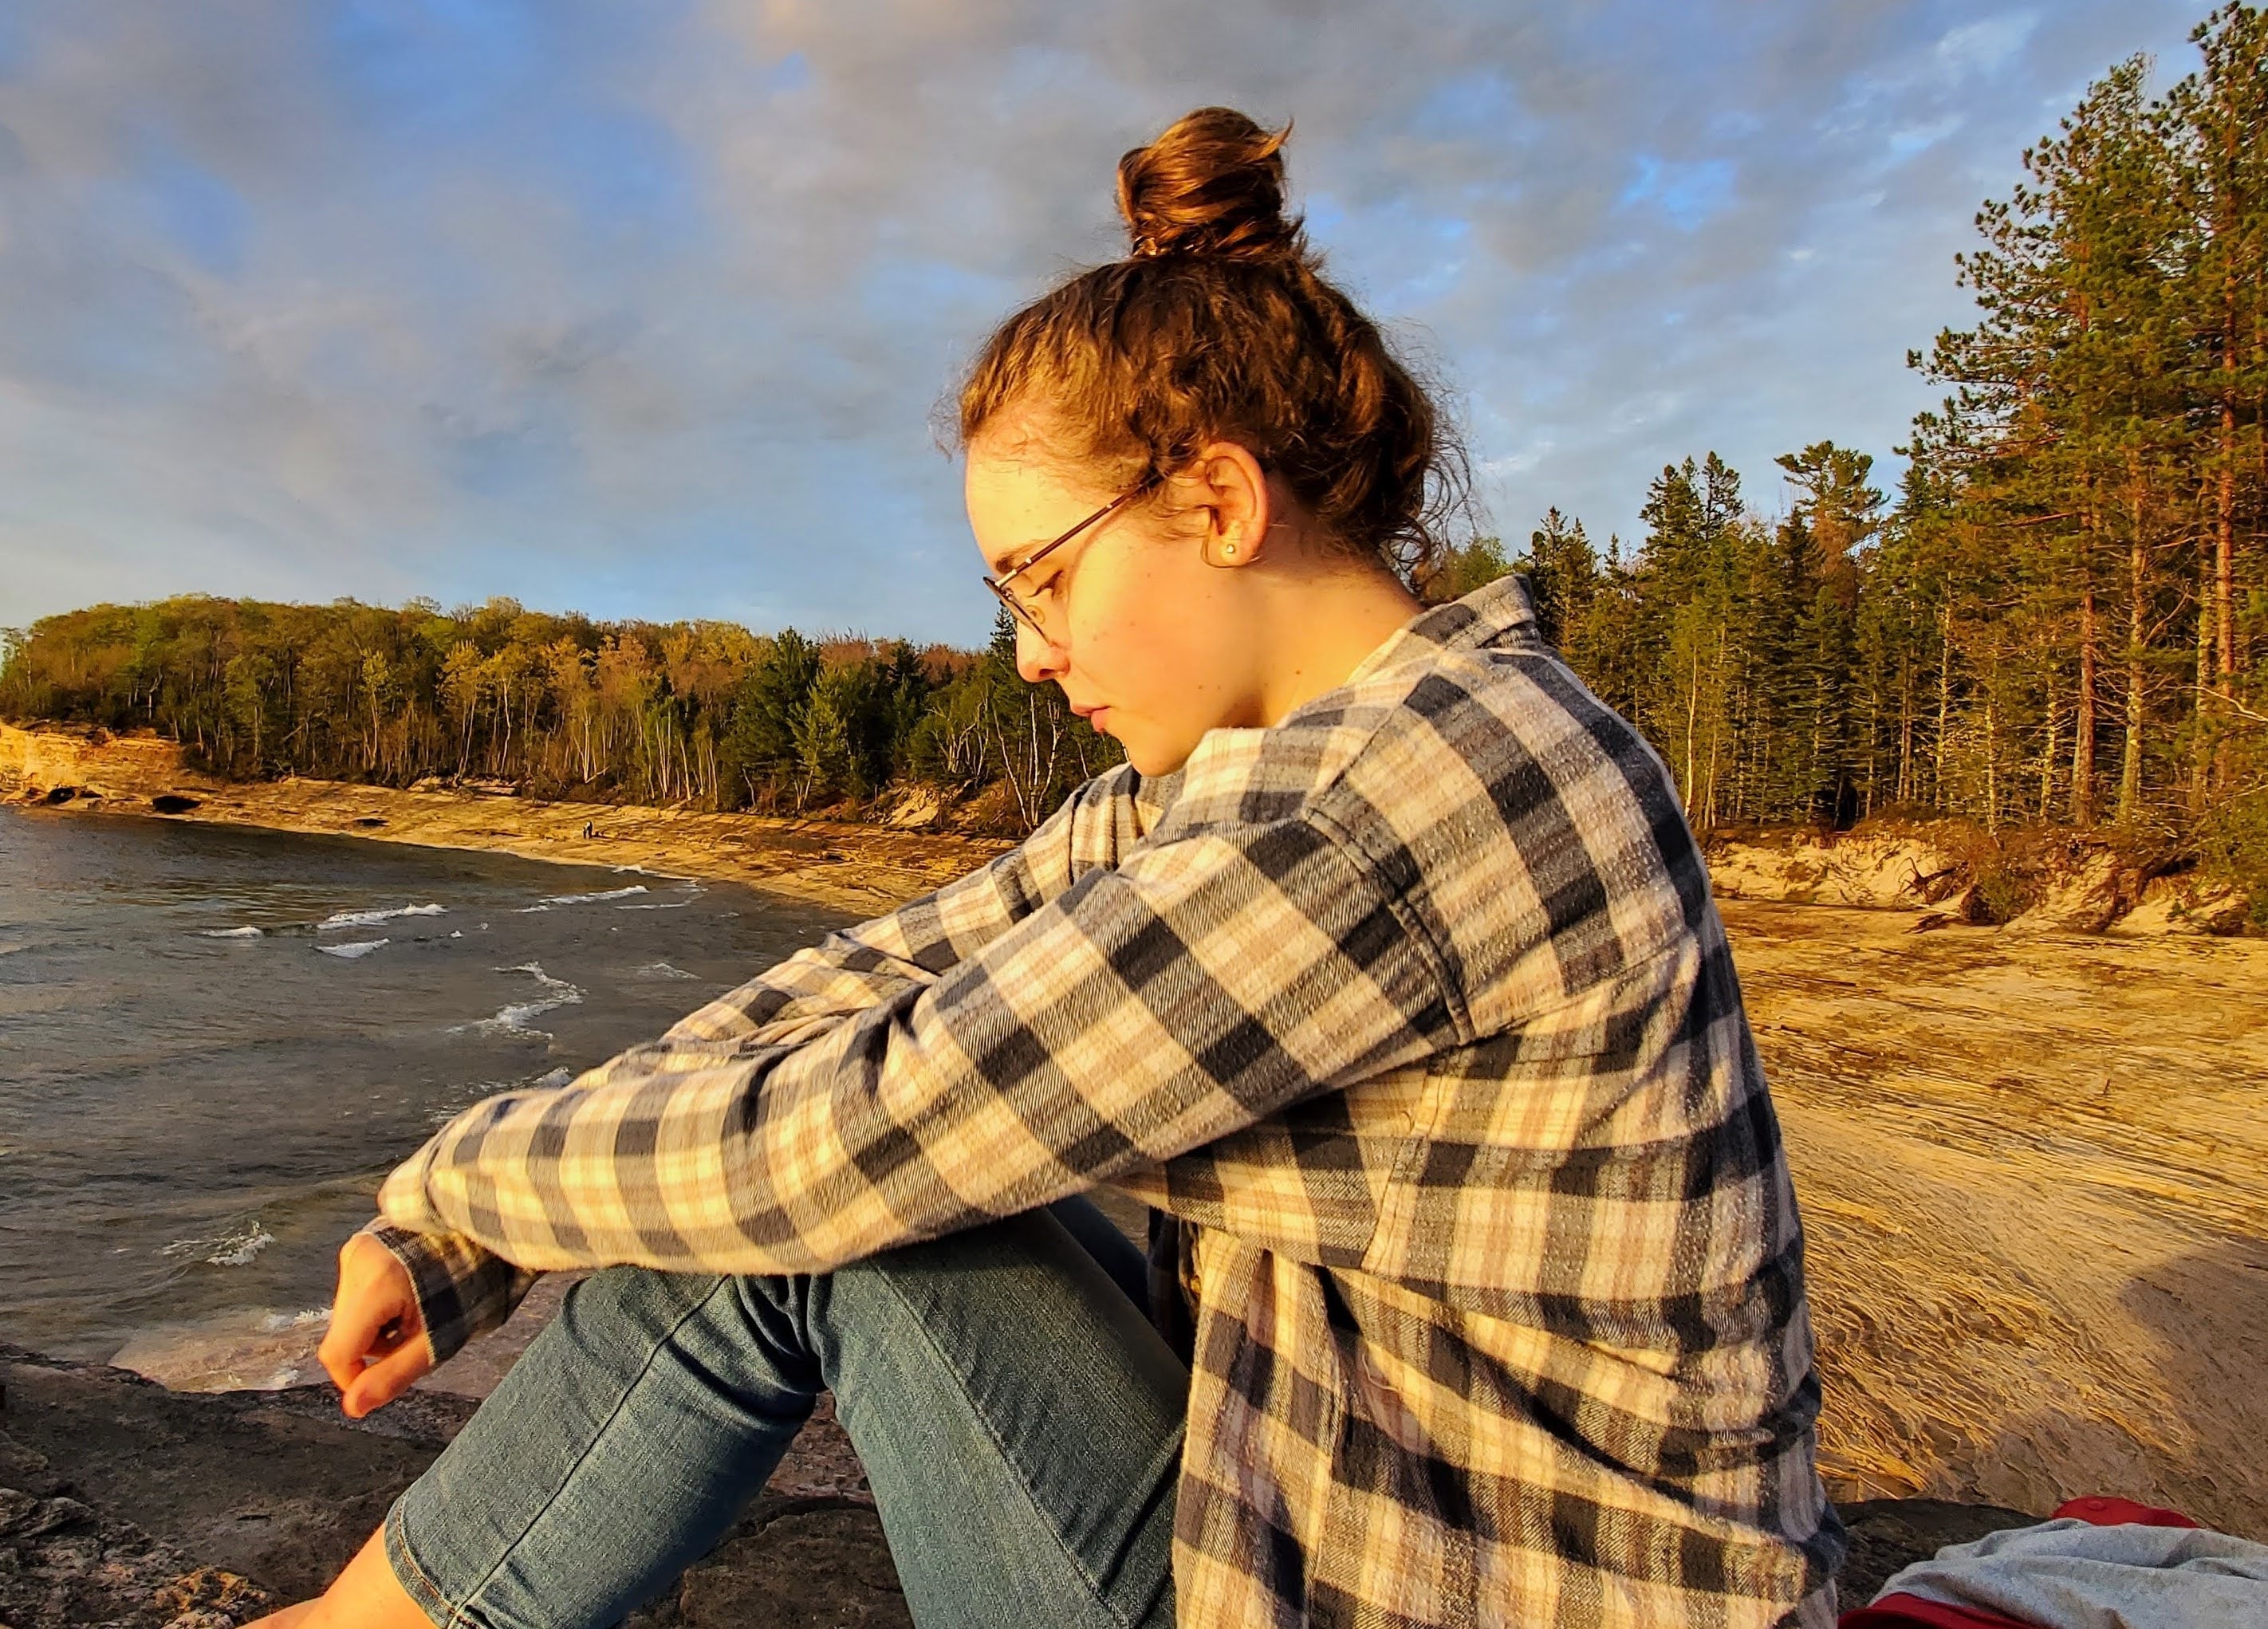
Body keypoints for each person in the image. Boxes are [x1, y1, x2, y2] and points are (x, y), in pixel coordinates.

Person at [259, 108, 1844, 1629]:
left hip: (1448, 1587)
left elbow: (848, 1133)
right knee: (831, 1183)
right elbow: (877, 976)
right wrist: (454, 1236)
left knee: (851, 1213)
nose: (1031, 652)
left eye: (1045, 577)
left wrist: (467, 1175)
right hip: (1345, 1515)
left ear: (1219, 500)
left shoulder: (1390, 809)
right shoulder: (1288, 771)